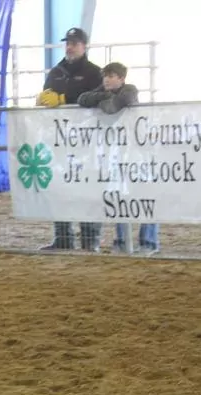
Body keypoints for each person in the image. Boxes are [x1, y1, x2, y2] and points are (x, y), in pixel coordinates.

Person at [77, 62, 158, 254]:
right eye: (105, 76)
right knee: (119, 197)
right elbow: (82, 98)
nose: (106, 79)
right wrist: (104, 97)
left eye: (111, 76)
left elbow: (111, 108)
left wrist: (101, 100)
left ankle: (148, 242)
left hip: (137, 152)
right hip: (117, 153)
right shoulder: (104, 91)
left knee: (145, 196)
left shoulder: (130, 90)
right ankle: (122, 241)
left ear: (121, 79)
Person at [36, 27, 104, 252]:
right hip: (59, 138)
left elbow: (97, 96)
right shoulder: (56, 71)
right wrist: (42, 99)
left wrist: (65, 98)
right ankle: (63, 237)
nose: (70, 47)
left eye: (74, 43)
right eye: (68, 43)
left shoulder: (95, 73)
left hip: (87, 139)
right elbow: (46, 94)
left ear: (85, 46)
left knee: (87, 187)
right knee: (59, 187)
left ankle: (90, 238)